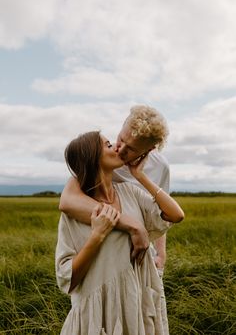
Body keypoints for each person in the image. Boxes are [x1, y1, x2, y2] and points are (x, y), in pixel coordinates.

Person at [56, 131, 184, 334]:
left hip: (137, 305)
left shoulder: (130, 192)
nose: (117, 147)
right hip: (99, 316)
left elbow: (175, 215)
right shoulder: (74, 213)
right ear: (92, 157)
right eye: (108, 145)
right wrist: (97, 237)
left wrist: (140, 176)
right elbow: (67, 278)